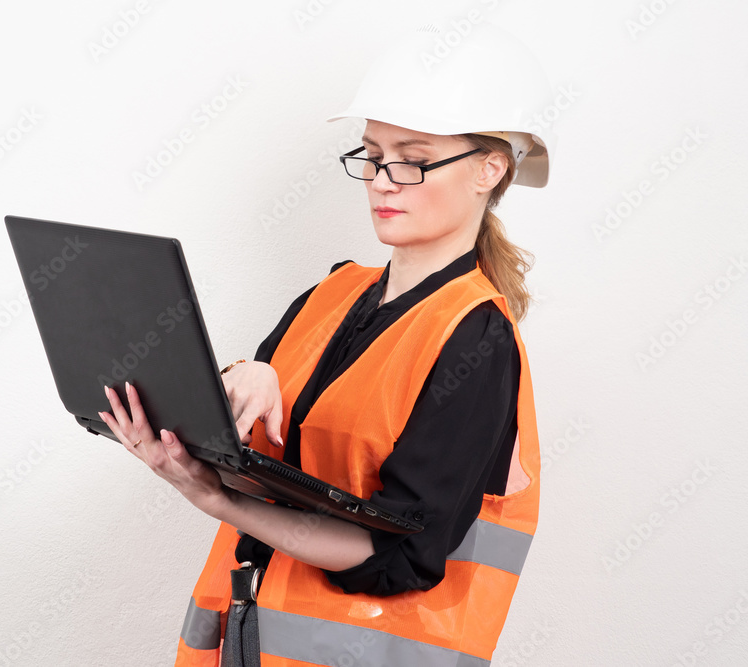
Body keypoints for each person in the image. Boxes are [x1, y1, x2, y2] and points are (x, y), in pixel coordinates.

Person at [99, 21, 552, 667]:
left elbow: (398, 555)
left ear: (490, 168)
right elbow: (267, 459)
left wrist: (213, 498)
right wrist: (238, 376)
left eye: (413, 158)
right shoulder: (334, 293)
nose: (382, 180)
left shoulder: (476, 337)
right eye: (372, 153)